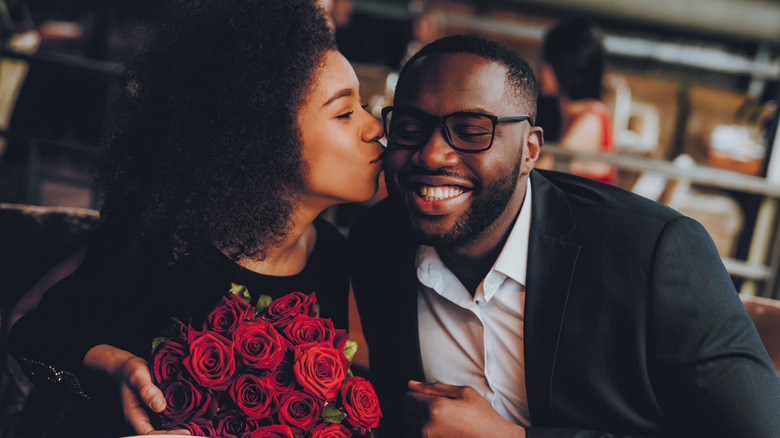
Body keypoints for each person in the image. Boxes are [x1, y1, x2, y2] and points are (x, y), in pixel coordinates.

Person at [348, 34, 780, 437]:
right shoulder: (378, 241)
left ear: (529, 150)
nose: (432, 153)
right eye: (409, 127)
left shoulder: (656, 254)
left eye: (472, 131)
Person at [7, 0, 383, 436]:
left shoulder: (334, 256)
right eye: (344, 112)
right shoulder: (168, 242)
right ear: (262, 137)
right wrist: (115, 364)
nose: (374, 127)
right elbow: (29, 334)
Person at [535, 17, 617, 184]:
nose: (541, 67)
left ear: (564, 67)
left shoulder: (590, 120)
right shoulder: (569, 112)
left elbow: (540, 170)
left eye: (547, 60)